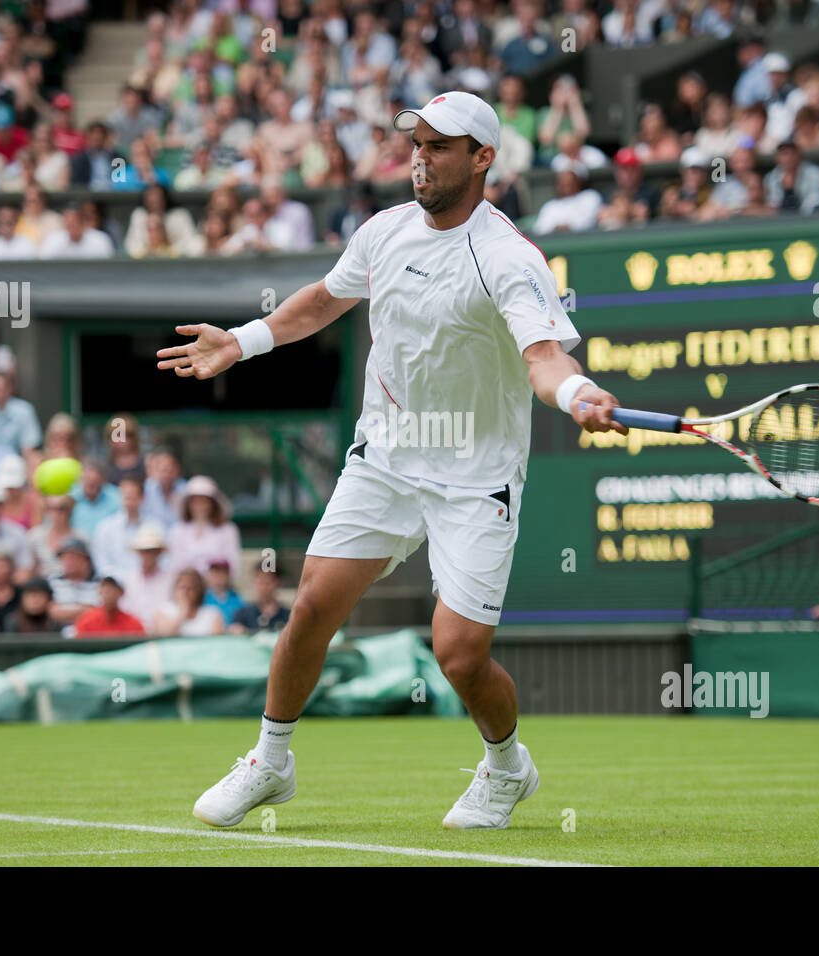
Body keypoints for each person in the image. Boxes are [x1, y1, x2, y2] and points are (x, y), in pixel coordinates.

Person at [156, 91, 625, 831]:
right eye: (418, 142)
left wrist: (576, 395)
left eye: (441, 146)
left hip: (475, 477)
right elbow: (320, 301)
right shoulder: (382, 233)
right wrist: (241, 342)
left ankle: (506, 766)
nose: (421, 157)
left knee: (460, 656)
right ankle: (270, 761)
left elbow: (543, 358)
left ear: (482, 159)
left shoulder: (508, 256)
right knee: (311, 605)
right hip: (387, 459)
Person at [168, 475, 240, 574]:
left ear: (213, 504)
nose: (199, 506)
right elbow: (177, 565)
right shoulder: (178, 530)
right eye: (195, 501)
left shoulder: (228, 530)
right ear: (188, 504)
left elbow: (232, 565)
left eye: (204, 501)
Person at [121, 522, 173, 628]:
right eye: (145, 551)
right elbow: (125, 610)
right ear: (139, 553)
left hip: (161, 632)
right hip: (134, 632)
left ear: (159, 553)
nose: (148, 555)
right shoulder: (129, 580)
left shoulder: (170, 579)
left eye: (152, 551)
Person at [152, 567, 224, 636]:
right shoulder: (164, 611)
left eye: (190, 588)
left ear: (199, 590)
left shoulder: (212, 614)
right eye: (182, 587)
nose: (185, 592)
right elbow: (162, 635)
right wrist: (183, 612)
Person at [48, 536, 101, 624]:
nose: (70, 562)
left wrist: (66, 610)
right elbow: (52, 612)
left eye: (74, 557)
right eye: (66, 558)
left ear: (86, 560)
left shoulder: (99, 583)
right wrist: (85, 609)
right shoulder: (52, 582)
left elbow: (100, 613)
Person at [73, 575, 145, 636]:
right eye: (105, 589)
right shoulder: (86, 621)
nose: (109, 594)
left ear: (121, 592)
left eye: (113, 589)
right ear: (100, 592)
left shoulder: (133, 624)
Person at [231, 562, 291, 633]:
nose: (263, 587)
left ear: (277, 583)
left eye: (267, 582)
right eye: (260, 582)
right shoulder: (242, 615)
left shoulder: (288, 616)